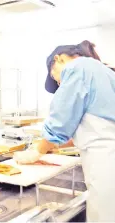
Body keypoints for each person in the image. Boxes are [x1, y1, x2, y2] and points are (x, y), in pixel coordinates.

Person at [14, 40, 115, 222]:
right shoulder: (103, 71)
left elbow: (62, 118)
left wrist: (37, 151)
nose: (60, 84)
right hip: (107, 156)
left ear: (58, 59)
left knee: (104, 216)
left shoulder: (78, 67)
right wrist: (53, 145)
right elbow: (93, 122)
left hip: (105, 160)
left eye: (56, 79)